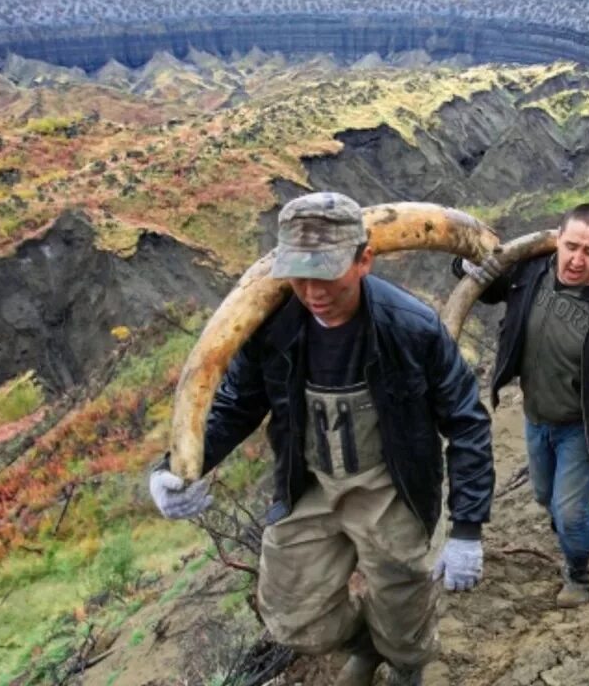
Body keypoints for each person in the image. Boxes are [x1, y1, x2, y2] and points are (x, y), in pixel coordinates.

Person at [149, 192, 494, 686]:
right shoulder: (271, 329)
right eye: (299, 273)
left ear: (363, 260)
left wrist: (467, 530)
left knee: (405, 617)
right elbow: (236, 404)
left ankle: (403, 662)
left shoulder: (412, 329)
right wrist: (176, 467)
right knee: (294, 617)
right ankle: (366, 645)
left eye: (327, 271)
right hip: (308, 485)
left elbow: (467, 421)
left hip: (391, 488)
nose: (312, 290)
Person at [456, 202, 589, 608]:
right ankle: (567, 533)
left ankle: (579, 574)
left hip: (584, 427)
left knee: (571, 512)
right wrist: (466, 268)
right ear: (557, 240)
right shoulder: (531, 271)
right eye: (571, 246)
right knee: (544, 497)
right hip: (536, 416)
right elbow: (490, 289)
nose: (577, 259)